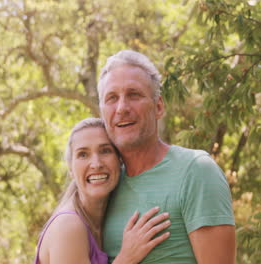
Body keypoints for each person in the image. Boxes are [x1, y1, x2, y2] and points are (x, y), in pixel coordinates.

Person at [98, 50, 236, 263]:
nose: (122, 108)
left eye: (134, 95)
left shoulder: (196, 171)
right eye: (112, 98)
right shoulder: (104, 186)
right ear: (102, 113)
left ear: (159, 107)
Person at [34, 117, 172, 264]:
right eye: (83, 154)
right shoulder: (68, 226)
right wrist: (127, 258)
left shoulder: (106, 221)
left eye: (105, 151)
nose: (96, 164)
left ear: (120, 161)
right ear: (70, 169)